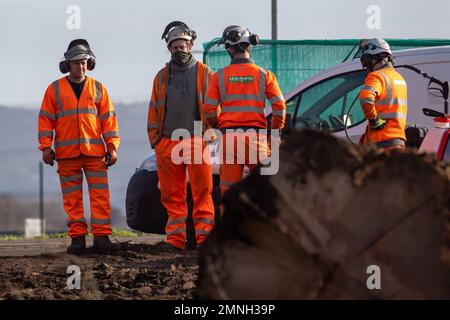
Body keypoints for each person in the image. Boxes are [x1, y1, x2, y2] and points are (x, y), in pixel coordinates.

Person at [38, 39, 120, 254]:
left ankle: (102, 237)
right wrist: (46, 147)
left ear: (89, 63)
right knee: (72, 200)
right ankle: (77, 239)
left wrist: (112, 147)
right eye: (76, 63)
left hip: (94, 154)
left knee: (100, 197)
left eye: (84, 62)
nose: (81, 66)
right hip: (67, 156)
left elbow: (109, 121)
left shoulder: (99, 88)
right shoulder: (54, 90)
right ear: (68, 65)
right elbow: (46, 120)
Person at [147, 21, 215, 250]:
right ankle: (175, 241)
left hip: (196, 140)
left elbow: (215, 108)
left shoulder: (205, 73)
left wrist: (210, 135)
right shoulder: (162, 76)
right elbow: (154, 108)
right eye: (175, 47)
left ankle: (205, 240)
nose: (179, 50)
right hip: (168, 142)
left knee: (202, 193)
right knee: (172, 197)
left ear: (190, 44)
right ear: (169, 49)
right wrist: (156, 140)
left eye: (183, 46)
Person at [203, 25, 286, 196]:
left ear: (229, 49)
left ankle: (231, 222)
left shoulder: (219, 77)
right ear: (249, 45)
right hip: (256, 139)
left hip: (229, 140)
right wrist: (275, 134)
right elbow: (279, 107)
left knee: (229, 193)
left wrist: (220, 127)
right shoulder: (264, 75)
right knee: (266, 190)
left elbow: (209, 110)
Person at [359, 38, 408, 150]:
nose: (367, 67)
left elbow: (365, 98)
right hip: (398, 143)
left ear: (378, 58)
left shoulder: (377, 76)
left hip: (381, 144)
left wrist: (374, 121)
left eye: (368, 61)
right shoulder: (399, 79)